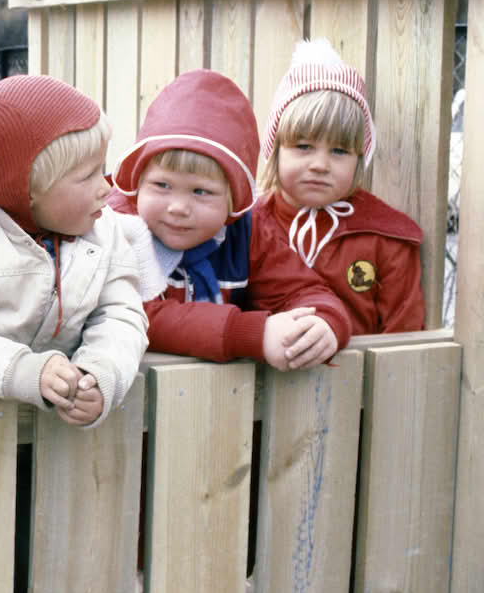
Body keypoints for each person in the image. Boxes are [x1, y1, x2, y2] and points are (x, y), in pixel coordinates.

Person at [0, 75, 151, 593]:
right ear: (27, 187)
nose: (106, 186)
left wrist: (102, 374)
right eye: (86, 176)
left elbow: (122, 314)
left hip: (65, 439)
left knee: (62, 566)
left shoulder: (106, 233)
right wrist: (25, 369)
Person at [107, 68, 354, 370]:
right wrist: (251, 333)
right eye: (162, 185)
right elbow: (139, 314)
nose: (178, 207)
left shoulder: (246, 231)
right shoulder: (116, 228)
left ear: (232, 200)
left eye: (201, 191)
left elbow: (302, 290)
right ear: (138, 180)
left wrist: (323, 323)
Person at [255, 38, 424, 334]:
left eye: (339, 151)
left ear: (360, 158)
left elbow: (404, 339)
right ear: (276, 149)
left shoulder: (386, 238)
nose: (320, 164)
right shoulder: (248, 228)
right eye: (304, 146)